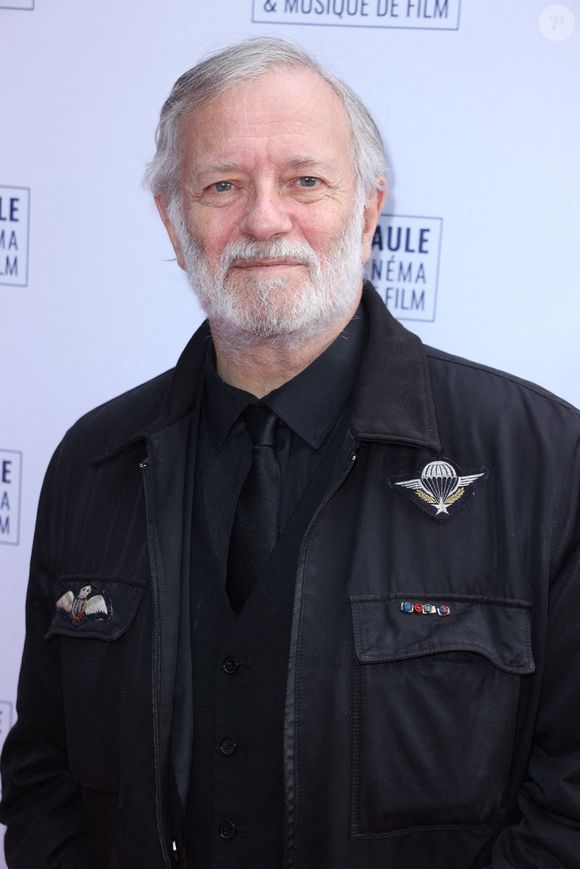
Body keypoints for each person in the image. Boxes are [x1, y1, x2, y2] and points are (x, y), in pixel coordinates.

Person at [1, 36, 580, 869]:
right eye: (222, 185)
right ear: (172, 219)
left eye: (305, 180)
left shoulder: (540, 461)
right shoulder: (93, 462)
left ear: (371, 207)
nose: (264, 218)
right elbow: (45, 773)